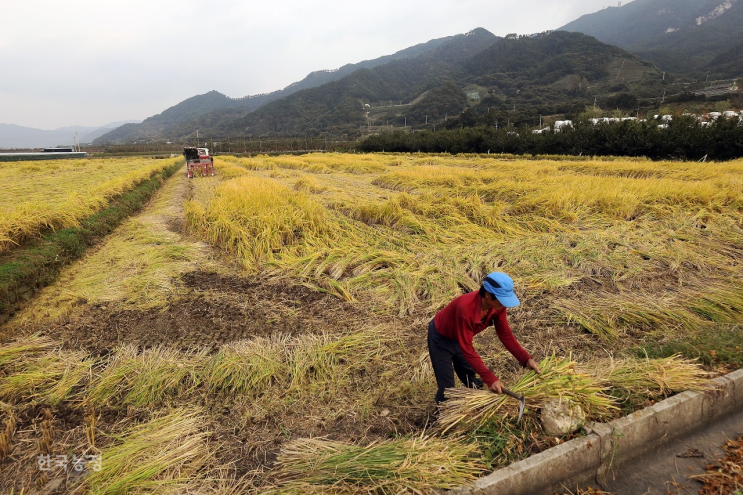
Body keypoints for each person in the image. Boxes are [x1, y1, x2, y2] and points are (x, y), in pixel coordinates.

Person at [428, 271, 540, 404]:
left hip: (460, 339)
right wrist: (490, 378)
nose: (504, 304)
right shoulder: (465, 309)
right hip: (441, 339)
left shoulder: (498, 307)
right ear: (487, 295)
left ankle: (473, 407)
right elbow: (467, 349)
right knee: (447, 388)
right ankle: (440, 417)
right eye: (501, 300)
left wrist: (525, 359)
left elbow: (505, 334)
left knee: (471, 378)